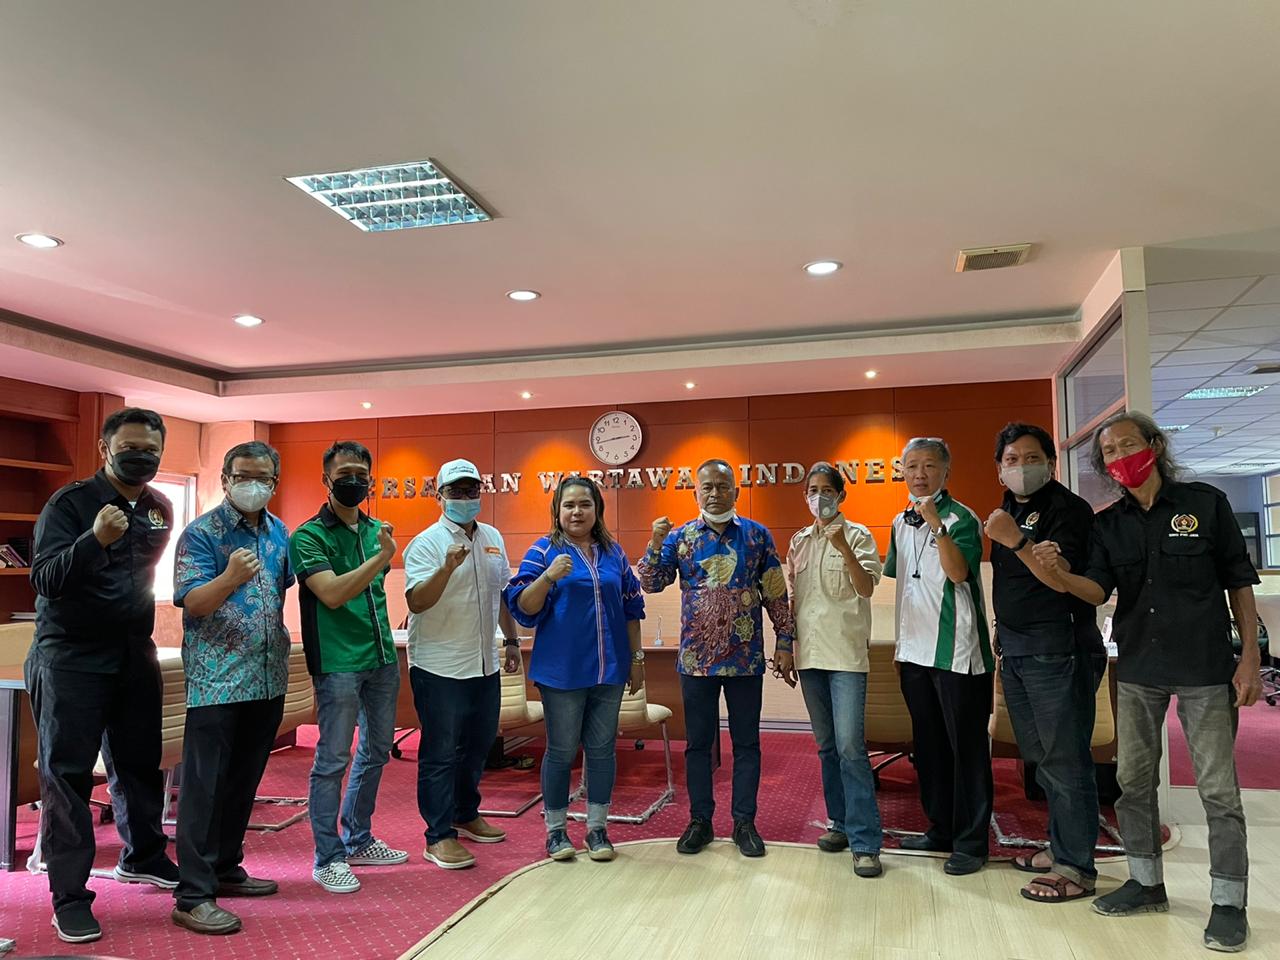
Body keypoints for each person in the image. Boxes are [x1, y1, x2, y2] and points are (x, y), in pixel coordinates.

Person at [1033, 411, 1260, 952]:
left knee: (1218, 790)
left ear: (1154, 446)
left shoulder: (1205, 504)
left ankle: (1229, 903)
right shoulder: (1109, 524)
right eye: (1109, 452)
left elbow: (1238, 582)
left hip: (1205, 666)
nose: (1119, 457)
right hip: (1138, 668)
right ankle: (1145, 883)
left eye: (1126, 445)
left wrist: (1250, 656)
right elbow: (1096, 591)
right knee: (1133, 783)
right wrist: (1059, 572)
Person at [25, 407, 178, 944]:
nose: (141, 457)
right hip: (71, 656)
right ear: (104, 448)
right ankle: (69, 896)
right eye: (130, 447)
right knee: (67, 776)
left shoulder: (159, 508)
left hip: (134, 652)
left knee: (139, 762)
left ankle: (144, 856)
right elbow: (45, 579)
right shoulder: (68, 504)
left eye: (151, 450)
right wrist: (93, 539)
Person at [638, 458, 795, 859]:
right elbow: (651, 583)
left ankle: (744, 823)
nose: (714, 493)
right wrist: (655, 543)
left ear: (736, 492)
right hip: (697, 660)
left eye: (722, 486)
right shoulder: (680, 537)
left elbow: (776, 593)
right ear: (696, 492)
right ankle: (700, 821)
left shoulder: (757, 536)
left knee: (747, 744)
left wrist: (785, 640)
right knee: (698, 745)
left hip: (745, 660)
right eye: (707, 487)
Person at [169, 441, 294, 935]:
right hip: (216, 682)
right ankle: (192, 895)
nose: (252, 484)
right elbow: (193, 602)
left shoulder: (280, 532)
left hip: (266, 676)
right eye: (242, 475)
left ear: (274, 483)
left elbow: (279, 592)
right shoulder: (201, 533)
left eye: (262, 477)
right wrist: (230, 577)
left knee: (243, 782)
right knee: (204, 788)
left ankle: (224, 867)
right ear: (225, 479)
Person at [983, 423, 1104, 904]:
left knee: (1066, 759)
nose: (1021, 467)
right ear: (999, 469)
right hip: (1016, 648)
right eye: (1011, 460)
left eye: (1031, 458)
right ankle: (1061, 847)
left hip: (1059, 649)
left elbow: (1062, 581)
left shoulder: (1068, 510)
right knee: (1041, 758)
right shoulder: (1007, 509)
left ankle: (1076, 868)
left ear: (1051, 463)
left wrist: (1016, 542)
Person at [504, 477, 645, 862]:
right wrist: (548, 577)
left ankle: (597, 830)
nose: (577, 512)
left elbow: (632, 609)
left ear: (597, 509)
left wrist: (637, 660)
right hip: (562, 674)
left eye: (585, 504)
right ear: (557, 511)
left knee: (601, 751)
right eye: (569, 505)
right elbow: (524, 607)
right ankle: (556, 832)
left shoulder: (614, 553)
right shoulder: (543, 551)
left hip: (609, 670)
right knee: (562, 750)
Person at [289, 441, 407, 894]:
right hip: (338, 662)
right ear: (327, 480)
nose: (353, 481)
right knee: (332, 760)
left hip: (381, 658)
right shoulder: (309, 536)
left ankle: (358, 839)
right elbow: (333, 594)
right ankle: (328, 857)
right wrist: (380, 558)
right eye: (344, 474)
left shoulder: (376, 529)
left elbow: (373, 593)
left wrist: (380, 552)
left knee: (377, 751)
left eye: (361, 474)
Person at [882, 437, 993, 876]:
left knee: (966, 749)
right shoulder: (898, 521)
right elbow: (905, 588)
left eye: (929, 466)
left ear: (947, 471)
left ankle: (972, 842)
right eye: (912, 466)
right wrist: (901, 646)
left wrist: (936, 527)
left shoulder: (962, 518)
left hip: (958, 654)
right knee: (928, 747)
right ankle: (940, 827)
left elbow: (958, 573)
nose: (920, 474)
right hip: (915, 653)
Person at [403, 458, 520, 871]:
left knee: (478, 745)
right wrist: (447, 568)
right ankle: (438, 835)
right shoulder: (426, 543)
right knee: (440, 753)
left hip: (484, 663)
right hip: (440, 666)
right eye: (456, 491)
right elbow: (417, 601)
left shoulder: (492, 537)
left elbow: (502, 593)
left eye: (472, 490)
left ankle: (465, 813)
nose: (465, 497)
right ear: (440, 496)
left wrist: (511, 640)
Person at [786, 462, 884, 879]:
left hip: (845, 657)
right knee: (826, 747)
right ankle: (840, 824)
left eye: (827, 490)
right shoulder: (798, 541)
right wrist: (786, 647)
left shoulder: (858, 535)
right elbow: (793, 600)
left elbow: (866, 587)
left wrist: (843, 547)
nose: (819, 497)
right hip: (809, 657)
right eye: (813, 490)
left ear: (841, 495)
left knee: (850, 748)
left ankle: (866, 843)